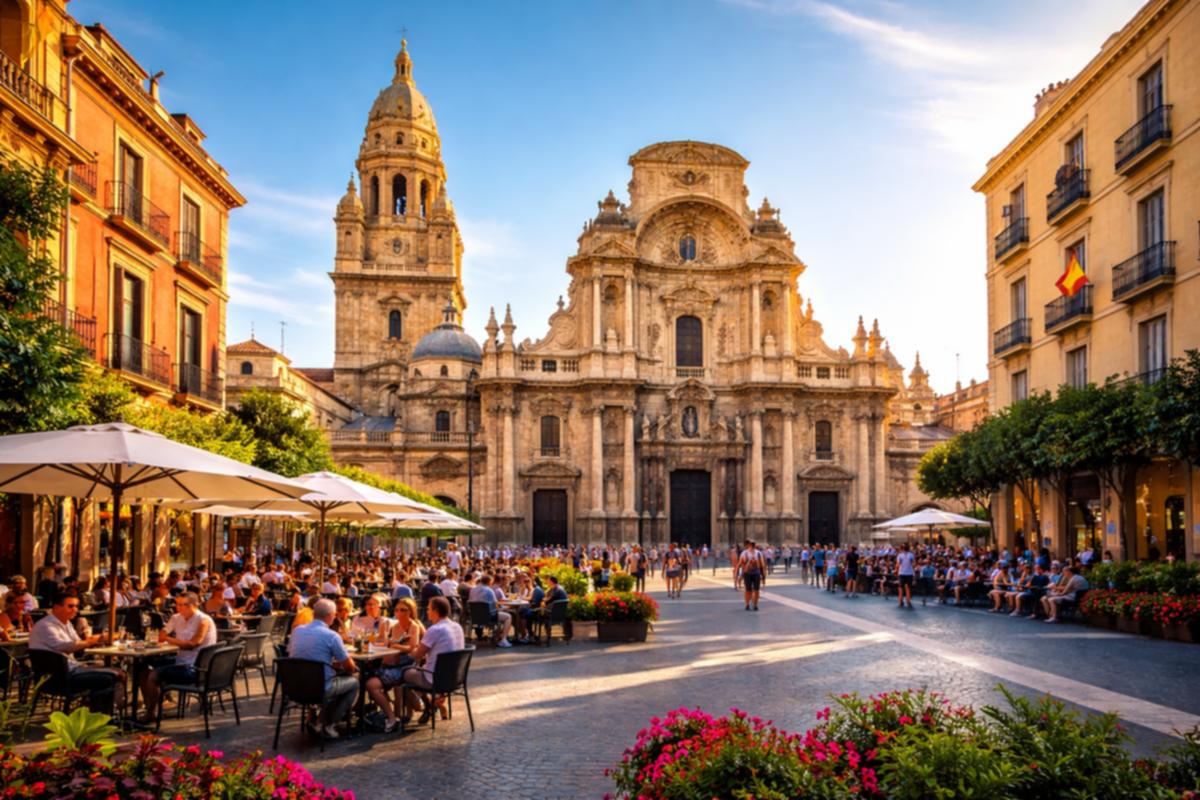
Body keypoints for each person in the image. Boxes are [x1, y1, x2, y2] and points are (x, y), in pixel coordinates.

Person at [29, 590, 124, 714]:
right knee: (110, 677)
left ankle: (102, 712)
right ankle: (101, 716)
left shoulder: (65, 623)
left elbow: (78, 643)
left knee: (117, 672)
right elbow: (65, 646)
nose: (75, 609)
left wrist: (95, 639)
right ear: (57, 608)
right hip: (58, 678)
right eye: (70, 606)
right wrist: (93, 640)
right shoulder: (46, 625)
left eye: (76, 606)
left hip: (69, 670)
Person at [288, 598, 359, 739]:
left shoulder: (297, 631)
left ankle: (318, 720)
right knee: (354, 682)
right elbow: (349, 666)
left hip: (295, 687)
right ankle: (329, 724)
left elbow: (299, 655)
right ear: (330, 615)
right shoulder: (332, 636)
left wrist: (330, 664)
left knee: (335, 678)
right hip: (319, 688)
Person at [140, 592, 216, 724]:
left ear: (194, 605)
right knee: (142, 669)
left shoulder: (204, 620)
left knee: (153, 675)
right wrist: (162, 636)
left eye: (183, 605)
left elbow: (193, 644)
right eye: (177, 604)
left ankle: (152, 713)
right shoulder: (176, 618)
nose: (178, 608)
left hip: (195, 669)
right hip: (180, 661)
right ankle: (153, 706)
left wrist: (168, 639)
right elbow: (162, 633)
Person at [398, 596, 464, 726]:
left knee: (404, 674)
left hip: (435, 680)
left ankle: (426, 707)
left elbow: (416, 655)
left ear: (436, 611)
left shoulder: (435, 630)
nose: (427, 611)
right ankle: (433, 704)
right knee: (420, 669)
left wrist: (402, 647)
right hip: (455, 678)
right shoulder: (457, 626)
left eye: (429, 609)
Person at [363, 597, 423, 733]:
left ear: (411, 611)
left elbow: (412, 647)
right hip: (391, 665)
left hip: (405, 667)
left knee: (371, 683)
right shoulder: (395, 626)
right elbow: (392, 646)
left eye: (403, 610)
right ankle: (392, 716)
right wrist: (393, 644)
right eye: (397, 610)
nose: (399, 612)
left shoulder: (414, 626)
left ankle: (396, 715)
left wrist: (394, 645)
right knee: (369, 683)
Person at [467, 575, 512, 647]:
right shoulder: (489, 590)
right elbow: (496, 605)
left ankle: (499, 636)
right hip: (488, 616)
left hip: (475, 617)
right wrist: (505, 608)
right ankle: (503, 639)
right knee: (508, 616)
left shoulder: (473, 589)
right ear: (490, 582)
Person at [738, 540, 766, 611]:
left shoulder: (758, 553)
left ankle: (755, 605)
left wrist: (763, 576)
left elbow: (762, 566)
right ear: (748, 545)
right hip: (747, 574)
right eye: (751, 544)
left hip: (756, 573)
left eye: (753, 544)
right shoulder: (744, 553)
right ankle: (747, 604)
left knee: (756, 590)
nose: (752, 546)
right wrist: (740, 575)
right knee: (748, 590)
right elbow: (740, 564)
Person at [895, 543, 916, 609]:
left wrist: (896, 570)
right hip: (906, 573)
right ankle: (906, 602)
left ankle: (902, 602)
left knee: (902, 588)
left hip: (904, 573)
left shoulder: (900, 555)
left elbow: (898, 564)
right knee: (907, 588)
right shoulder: (910, 555)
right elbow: (914, 564)